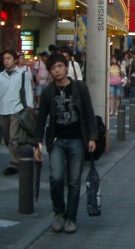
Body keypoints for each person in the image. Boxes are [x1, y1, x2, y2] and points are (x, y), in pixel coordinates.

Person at [34, 53, 97, 235]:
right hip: (57, 141)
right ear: (50, 71)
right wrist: (37, 142)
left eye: (60, 66)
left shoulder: (80, 88)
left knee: (74, 181)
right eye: (53, 68)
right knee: (56, 177)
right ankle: (58, 213)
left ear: (66, 68)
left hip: (77, 139)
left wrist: (92, 137)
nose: (57, 70)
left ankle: (71, 217)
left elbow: (88, 112)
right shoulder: (47, 92)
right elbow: (41, 119)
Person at [0, 49, 35, 176]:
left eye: (9, 58)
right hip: (4, 110)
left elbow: (27, 91)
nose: (6, 61)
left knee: (13, 138)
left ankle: (14, 163)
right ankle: (20, 155)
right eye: (4, 59)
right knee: (7, 138)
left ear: (15, 59)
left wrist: (30, 107)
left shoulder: (23, 74)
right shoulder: (0, 77)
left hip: (18, 109)